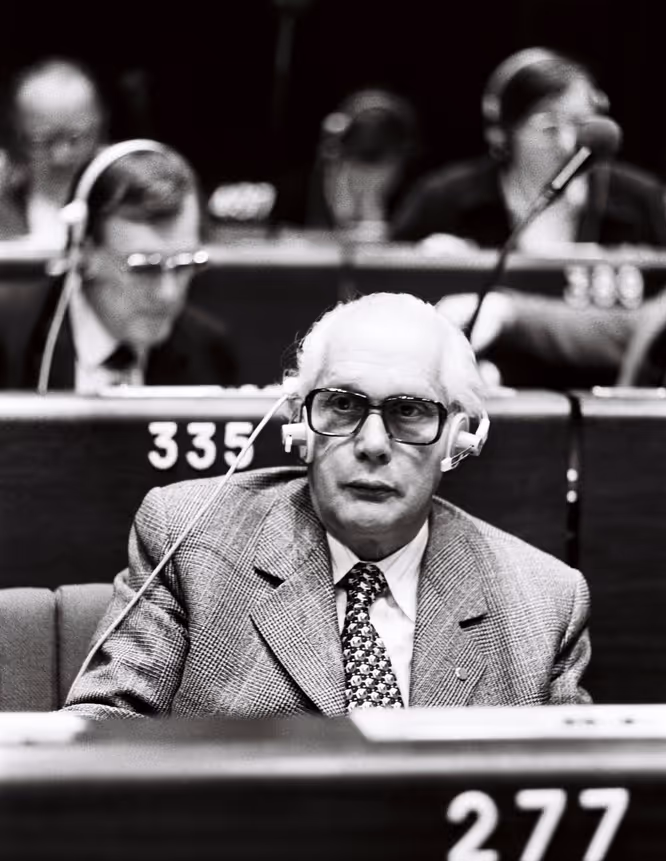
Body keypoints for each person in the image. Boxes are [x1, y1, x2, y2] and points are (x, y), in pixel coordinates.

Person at [63, 292, 591, 719]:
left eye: (410, 412)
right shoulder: (191, 540)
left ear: (457, 439)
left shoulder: (543, 604)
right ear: (299, 427)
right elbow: (99, 738)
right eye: (344, 405)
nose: (373, 443)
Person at [0, 144, 238, 390]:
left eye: (185, 264)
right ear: (83, 253)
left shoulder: (209, 351)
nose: (168, 293)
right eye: (145, 268)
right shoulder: (8, 336)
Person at [391, 48, 666, 250]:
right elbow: (382, 289)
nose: (567, 142)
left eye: (581, 123)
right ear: (502, 131)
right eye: (548, 127)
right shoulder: (442, 197)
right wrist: (424, 261)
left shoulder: (640, 197)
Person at [272, 89, 422, 240]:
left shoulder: (419, 189)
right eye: (362, 132)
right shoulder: (312, 181)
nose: (370, 139)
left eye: (380, 133)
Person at [0, 58, 107, 247]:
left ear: (98, 127)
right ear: (18, 134)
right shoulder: (5, 189)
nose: (60, 156)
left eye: (75, 137)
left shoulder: (123, 186)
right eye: (41, 140)